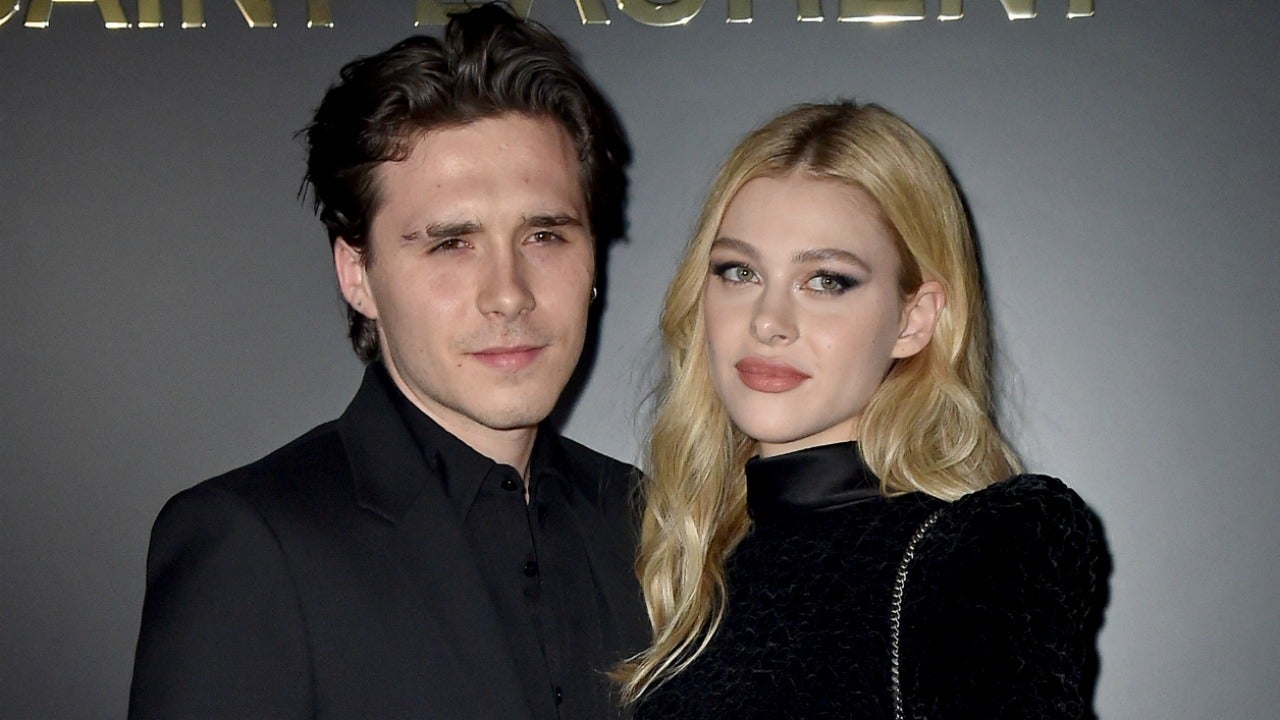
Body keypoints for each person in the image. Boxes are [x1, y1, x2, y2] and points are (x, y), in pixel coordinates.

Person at [128, 5, 647, 719]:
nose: (508, 294)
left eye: (545, 235)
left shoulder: (650, 524)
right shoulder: (254, 543)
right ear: (358, 274)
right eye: (451, 243)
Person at [615, 102, 1109, 719]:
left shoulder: (974, 556)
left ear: (914, 319)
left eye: (826, 280)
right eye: (739, 272)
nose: (768, 321)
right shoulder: (685, 565)